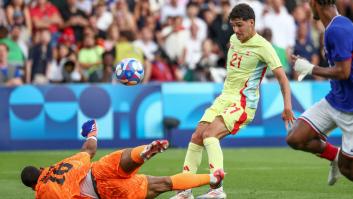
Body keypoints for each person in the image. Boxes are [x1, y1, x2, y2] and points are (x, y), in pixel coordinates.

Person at [172, 3, 295, 199]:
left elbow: (283, 78)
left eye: (239, 25)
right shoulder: (233, 39)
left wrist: (287, 106)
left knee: (210, 135)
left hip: (243, 102)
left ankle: (216, 190)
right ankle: (185, 190)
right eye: (233, 26)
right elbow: (234, 48)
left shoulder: (264, 46)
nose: (236, 31)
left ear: (251, 23)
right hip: (224, 97)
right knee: (196, 136)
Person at [21, 120, 225, 199]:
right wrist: (92, 131)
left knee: (163, 183)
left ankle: (212, 179)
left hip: (105, 192)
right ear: (42, 168)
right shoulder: (62, 165)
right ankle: (143, 153)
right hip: (98, 170)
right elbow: (89, 149)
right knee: (124, 160)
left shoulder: (44, 191)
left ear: (33, 186)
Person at [287, 0, 353, 186]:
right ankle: (335, 156)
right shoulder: (334, 27)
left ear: (315, 3)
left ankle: (340, 161)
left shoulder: (337, 30)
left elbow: (343, 72)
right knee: (296, 138)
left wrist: (310, 68)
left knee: (348, 169)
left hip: (351, 108)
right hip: (335, 100)